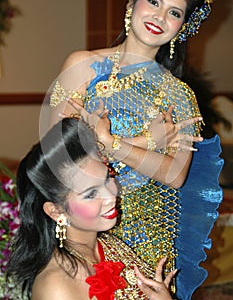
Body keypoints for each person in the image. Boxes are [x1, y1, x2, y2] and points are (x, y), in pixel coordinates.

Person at [47, 0, 224, 299]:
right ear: (132, 3)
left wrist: (108, 141)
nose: (160, 17)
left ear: (182, 26)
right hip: (87, 229)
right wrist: (146, 142)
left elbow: (174, 175)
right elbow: (59, 155)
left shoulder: (180, 95)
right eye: (154, 2)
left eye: (174, 12)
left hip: (151, 238)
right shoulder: (81, 66)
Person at [7, 117, 176, 300]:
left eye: (107, 179)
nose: (111, 197)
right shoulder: (56, 287)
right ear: (56, 211)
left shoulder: (106, 242)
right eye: (90, 194)